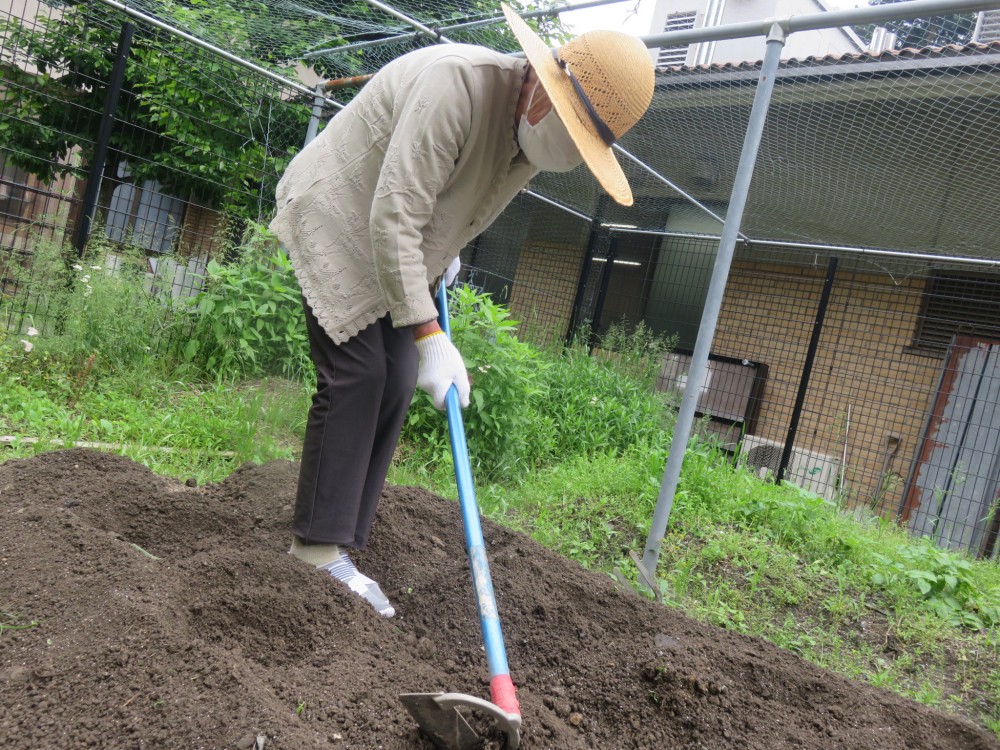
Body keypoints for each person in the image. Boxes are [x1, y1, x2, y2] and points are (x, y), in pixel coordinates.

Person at [268, 4, 655, 617]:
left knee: (394, 382)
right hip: (339, 212)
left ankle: (339, 542)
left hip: (400, 240)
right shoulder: (455, 85)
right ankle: (314, 554)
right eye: (573, 132)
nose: (569, 152)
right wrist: (428, 333)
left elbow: (463, 201)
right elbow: (394, 213)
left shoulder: (529, 144)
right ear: (541, 96)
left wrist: (446, 256)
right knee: (359, 375)